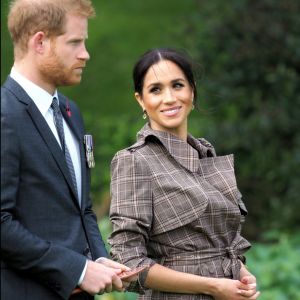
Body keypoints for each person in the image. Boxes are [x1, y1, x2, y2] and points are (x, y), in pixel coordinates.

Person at [1, 0, 132, 299]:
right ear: (40, 42)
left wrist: (99, 259)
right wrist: (79, 269)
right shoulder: (4, 115)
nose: (85, 54)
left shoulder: (71, 111)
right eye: (75, 42)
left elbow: (82, 206)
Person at [108, 48, 260, 299]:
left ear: (192, 90)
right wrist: (212, 286)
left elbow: (215, 244)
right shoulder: (135, 161)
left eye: (177, 85)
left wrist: (242, 273)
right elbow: (129, 260)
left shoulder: (204, 153)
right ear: (140, 100)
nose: (168, 98)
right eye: (155, 90)